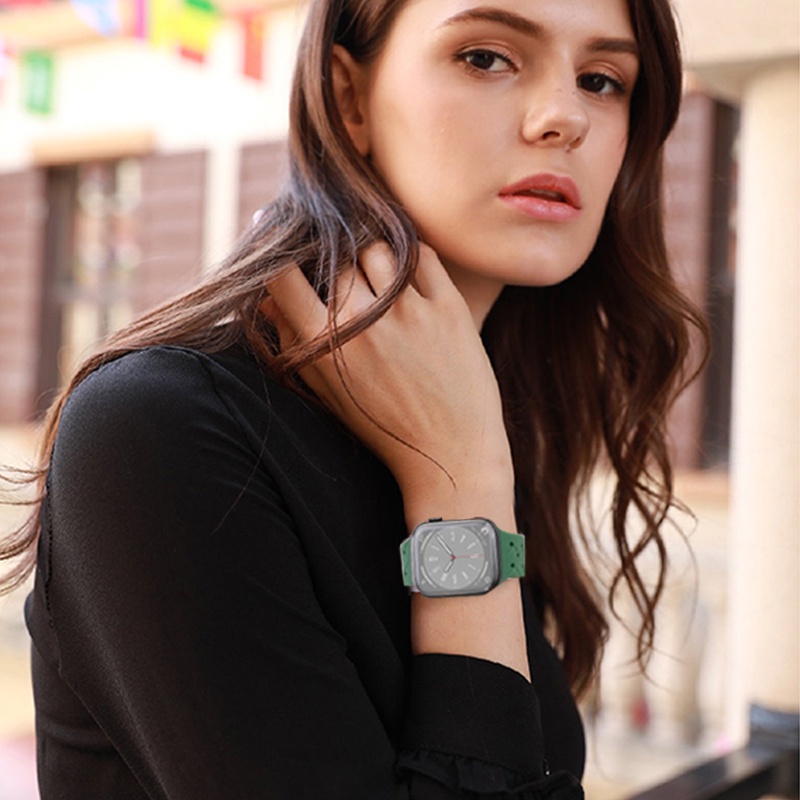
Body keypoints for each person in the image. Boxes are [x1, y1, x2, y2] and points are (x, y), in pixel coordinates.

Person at [1, 0, 706, 797]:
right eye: (486, 57)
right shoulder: (160, 429)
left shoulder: (481, 417)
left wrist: (466, 464)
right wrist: (461, 485)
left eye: (602, 80)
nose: (564, 117)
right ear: (349, 98)